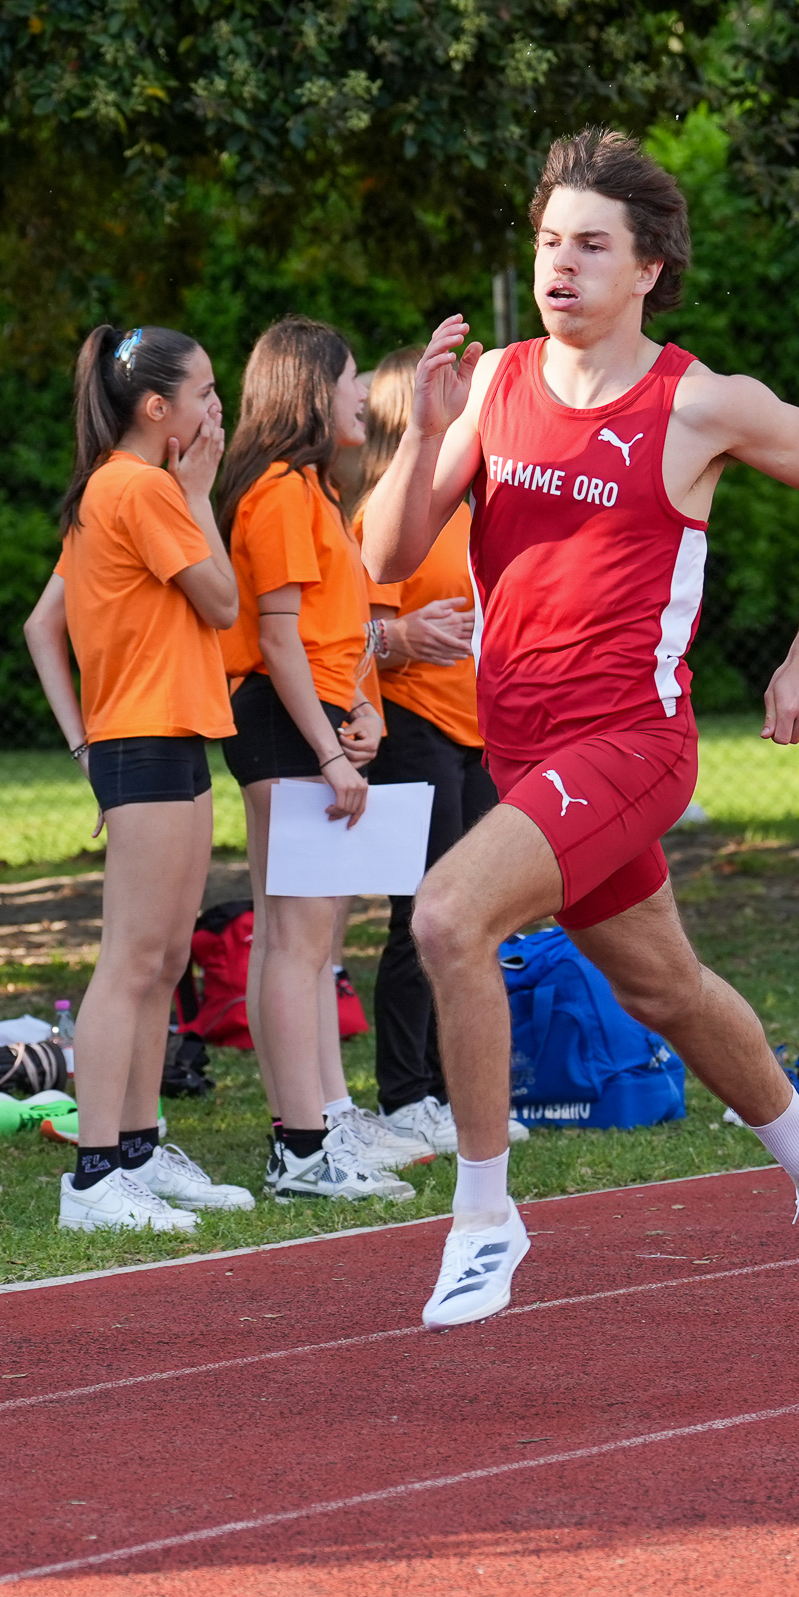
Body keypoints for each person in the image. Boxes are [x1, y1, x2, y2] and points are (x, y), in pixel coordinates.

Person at [362, 128, 799, 1328]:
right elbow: (384, 555)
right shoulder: (494, 384)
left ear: (648, 266)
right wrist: (422, 434)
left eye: (591, 245)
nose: (561, 265)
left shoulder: (699, 403)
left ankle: (485, 1215)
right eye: (550, 242)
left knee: (447, 915)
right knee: (664, 987)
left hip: (631, 745)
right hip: (524, 749)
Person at [21, 324, 256, 1230]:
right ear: (158, 408)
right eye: (205, 393)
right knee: (131, 961)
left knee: (164, 960)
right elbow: (225, 604)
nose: (217, 409)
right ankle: (93, 1178)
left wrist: (84, 745)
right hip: (147, 739)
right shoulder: (144, 487)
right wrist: (198, 494)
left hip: (162, 738)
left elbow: (41, 626)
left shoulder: (109, 487)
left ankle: (137, 1149)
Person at [214, 317, 421, 1202]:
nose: (363, 396)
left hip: (305, 719)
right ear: (309, 392)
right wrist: (329, 750)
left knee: (301, 940)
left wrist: (359, 709)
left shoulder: (310, 489)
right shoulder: (280, 491)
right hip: (280, 723)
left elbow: (329, 635)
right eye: (348, 381)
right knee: (297, 944)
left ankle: (323, 1124)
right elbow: (278, 640)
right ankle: (301, 1150)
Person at [347, 346, 507, 1161]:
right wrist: (401, 636)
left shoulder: (472, 502)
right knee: (421, 916)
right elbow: (347, 635)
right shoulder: (382, 509)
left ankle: (449, 1090)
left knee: (474, 919)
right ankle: (405, 1095)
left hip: (480, 734)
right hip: (412, 727)